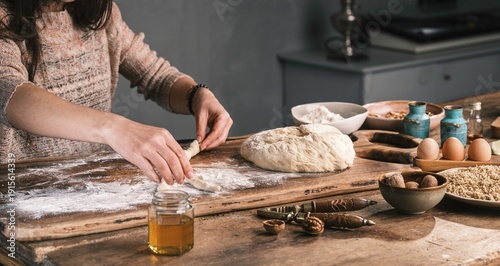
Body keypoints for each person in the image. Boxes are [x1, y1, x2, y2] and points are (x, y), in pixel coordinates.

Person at [0, 0, 233, 185]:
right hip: (23, 197)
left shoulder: (103, 15)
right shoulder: (5, 18)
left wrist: (197, 95)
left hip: (94, 187)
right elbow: (10, 95)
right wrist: (113, 128)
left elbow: (156, 76)